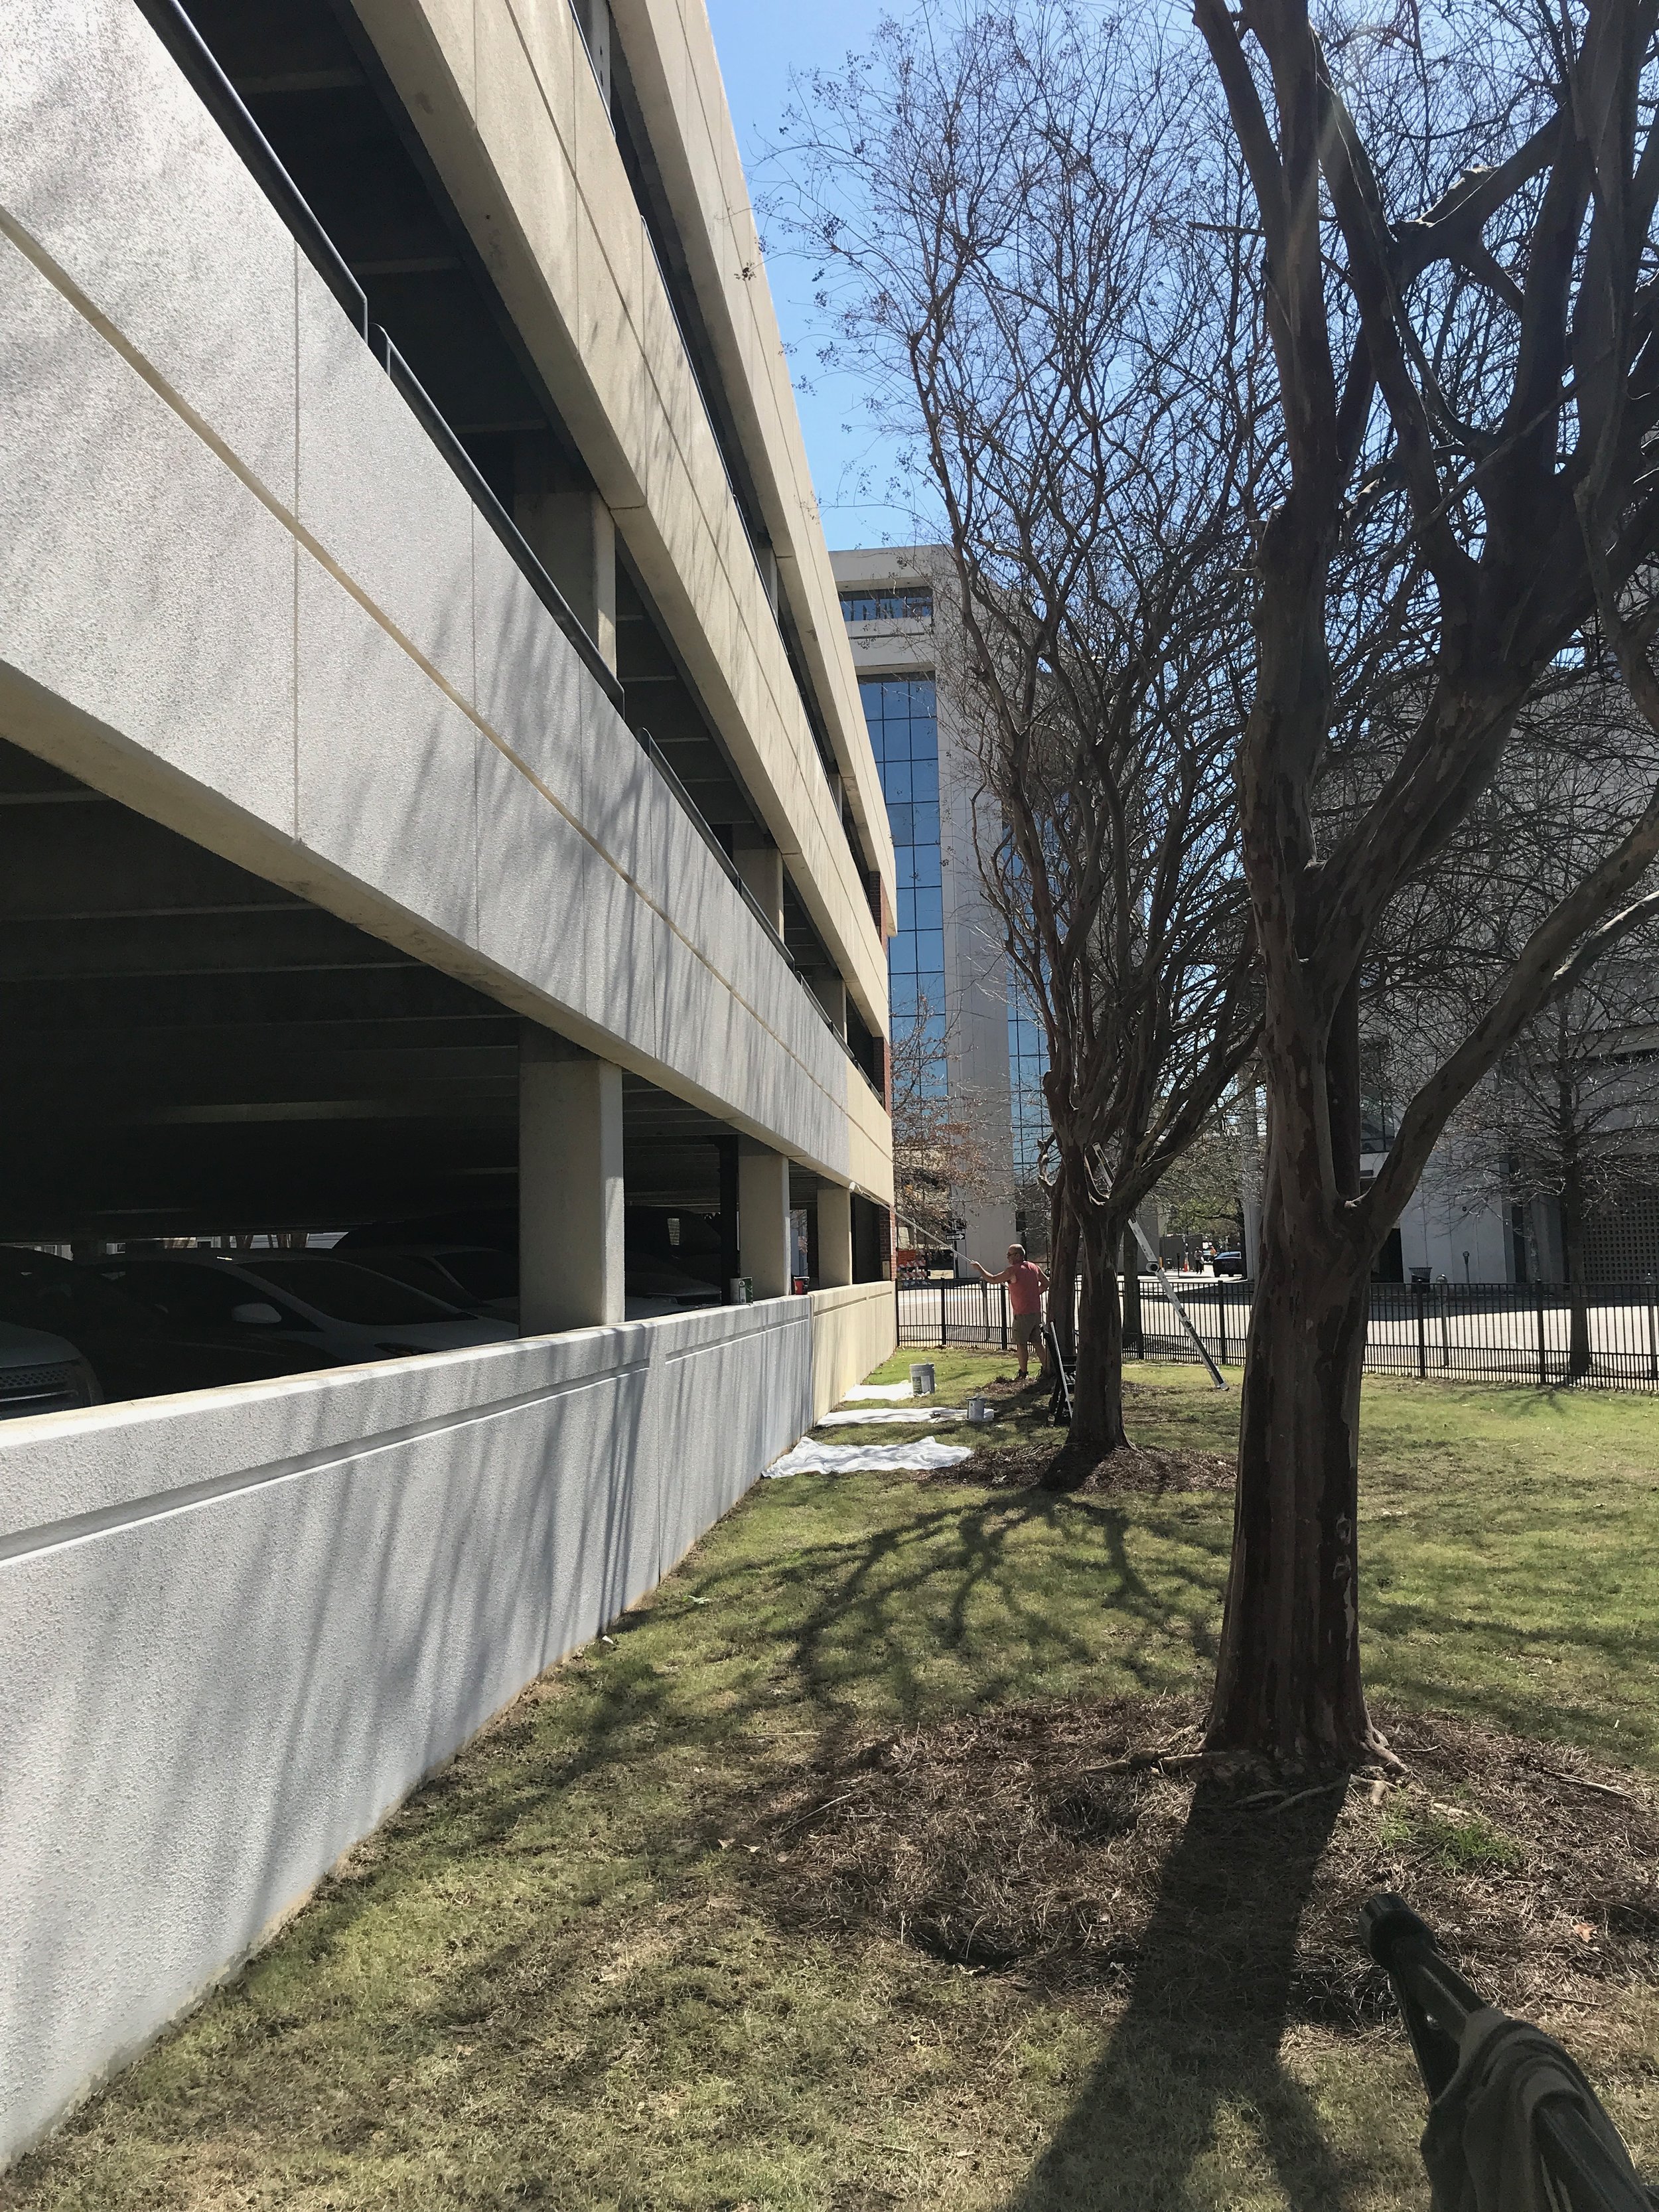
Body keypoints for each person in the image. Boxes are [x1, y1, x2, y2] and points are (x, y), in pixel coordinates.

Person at [970, 1243, 1049, 1382]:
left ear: (1018, 1255)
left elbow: (993, 1280)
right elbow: (1046, 1283)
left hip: (1022, 1314)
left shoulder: (1013, 1271)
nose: (1007, 1257)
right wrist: (1034, 1294)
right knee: (1037, 1342)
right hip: (1036, 1313)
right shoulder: (1033, 1267)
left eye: (1009, 1255)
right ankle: (1047, 1370)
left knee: (1021, 1343)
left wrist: (979, 1269)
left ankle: (1024, 1373)